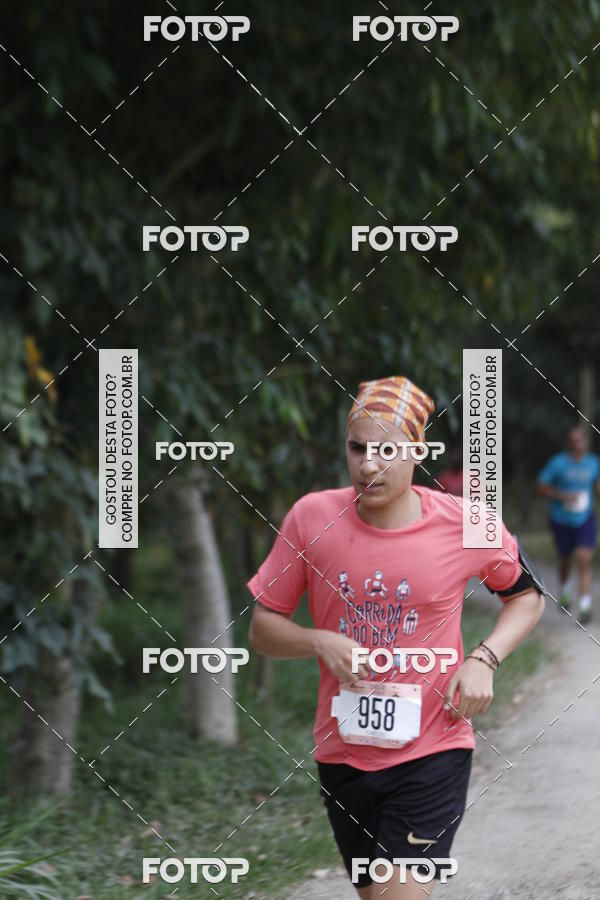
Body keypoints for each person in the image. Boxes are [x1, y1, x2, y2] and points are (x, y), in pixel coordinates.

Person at [248, 376, 545, 899]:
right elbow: (263, 629)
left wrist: (484, 657)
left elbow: (527, 595)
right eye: (358, 447)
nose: (368, 464)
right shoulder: (311, 517)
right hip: (342, 755)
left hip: (434, 748)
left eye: (387, 450)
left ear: (419, 451)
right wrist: (318, 641)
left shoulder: (466, 524)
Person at [536, 425, 600, 623]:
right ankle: (564, 590)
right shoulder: (558, 463)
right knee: (565, 560)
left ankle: (585, 606)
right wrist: (561, 496)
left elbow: (597, 486)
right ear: (568, 443)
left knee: (584, 559)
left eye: (579, 440)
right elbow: (541, 486)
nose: (576, 444)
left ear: (586, 442)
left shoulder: (594, 463)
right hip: (561, 519)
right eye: (572, 441)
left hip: (585, 518)